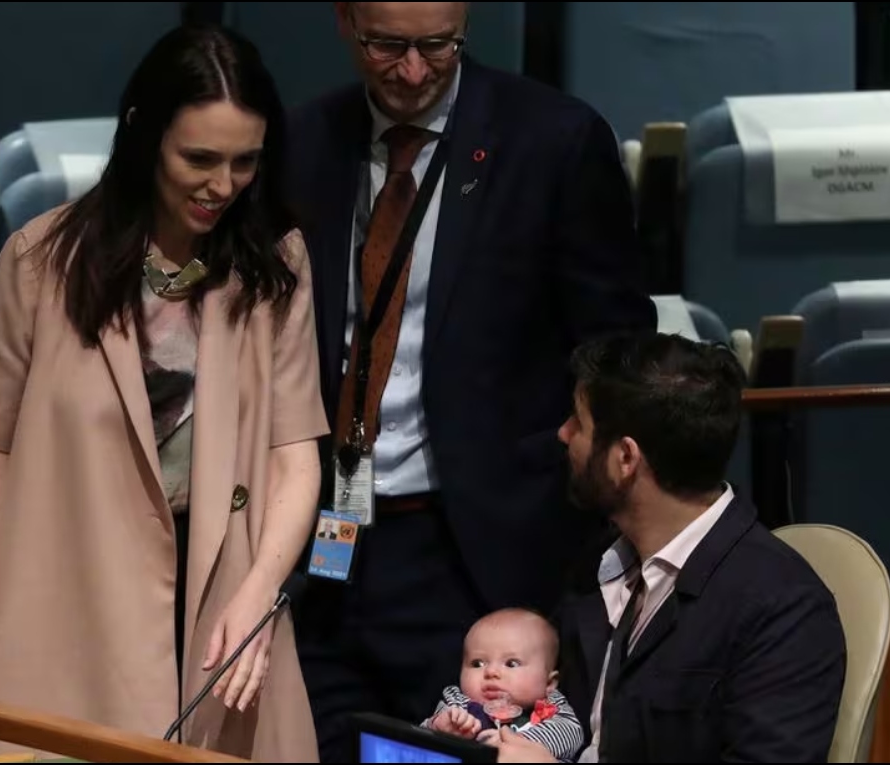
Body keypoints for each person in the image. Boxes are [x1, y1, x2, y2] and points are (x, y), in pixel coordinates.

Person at [0, 24, 328, 762]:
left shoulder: (276, 266)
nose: (221, 185)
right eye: (198, 158)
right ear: (143, 136)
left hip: (221, 615)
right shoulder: (42, 261)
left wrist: (261, 593)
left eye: (244, 162)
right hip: (61, 612)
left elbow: (294, 457)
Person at [284, 2, 657, 759]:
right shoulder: (304, 143)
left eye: (438, 46)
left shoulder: (551, 141)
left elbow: (615, 343)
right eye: (388, 45)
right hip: (330, 542)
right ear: (345, 24)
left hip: (477, 549)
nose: (414, 71)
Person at [497, 331, 846, 762]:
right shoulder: (597, 564)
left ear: (625, 458)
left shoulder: (783, 609)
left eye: (579, 422)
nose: (563, 433)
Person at [423, 608, 584, 762]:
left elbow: (571, 735)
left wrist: (516, 742)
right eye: (477, 663)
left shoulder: (552, 706)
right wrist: (439, 727)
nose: (491, 672)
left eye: (511, 663)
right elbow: (420, 736)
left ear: (549, 683)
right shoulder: (458, 703)